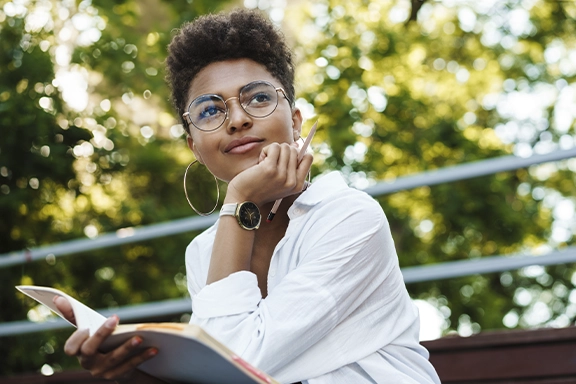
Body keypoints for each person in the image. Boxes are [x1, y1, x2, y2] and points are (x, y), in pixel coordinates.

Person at [55, 8, 441, 384]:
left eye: (257, 98)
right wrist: (135, 372)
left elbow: (233, 362)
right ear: (194, 146)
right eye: (210, 110)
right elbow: (220, 372)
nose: (238, 119)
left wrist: (240, 199)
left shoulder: (349, 217)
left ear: (294, 121)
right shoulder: (204, 253)